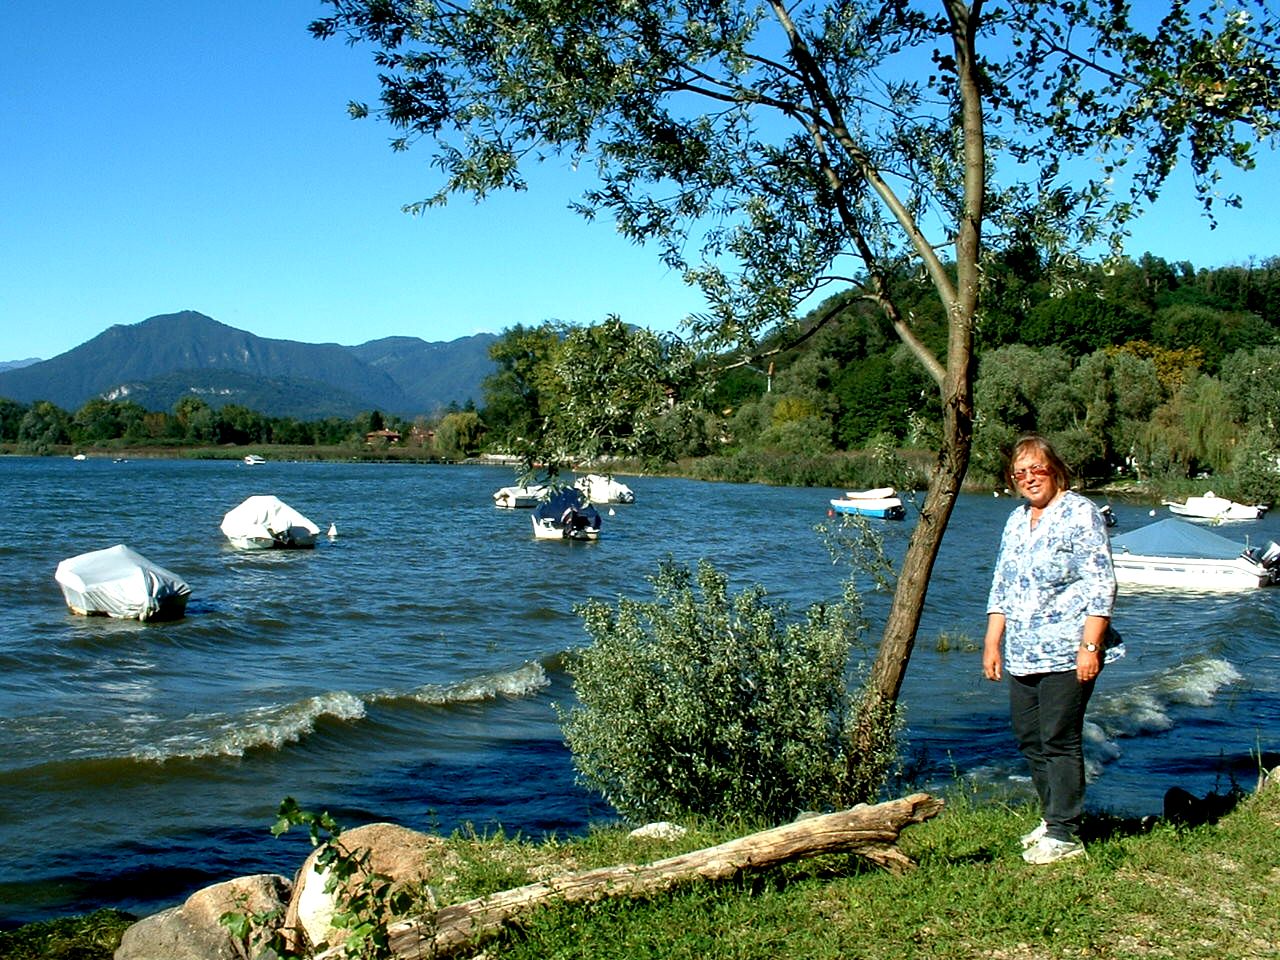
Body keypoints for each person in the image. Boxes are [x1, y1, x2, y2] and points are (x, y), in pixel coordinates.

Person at [982, 434, 1122, 864]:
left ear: (1055, 470)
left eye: (1036, 469)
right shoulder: (1016, 519)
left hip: (1068, 650)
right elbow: (1002, 584)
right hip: (1023, 651)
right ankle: (1051, 817)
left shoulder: (1080, 513)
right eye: (1019, 473)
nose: (1028, 478)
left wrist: (1090, 646)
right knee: (1030, 737)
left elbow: (1102, 583)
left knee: (1059, 738)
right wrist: (992, 642)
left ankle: (1065, 834)